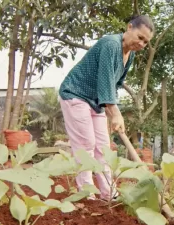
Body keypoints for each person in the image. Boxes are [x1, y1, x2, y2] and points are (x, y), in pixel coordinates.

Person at [59, 15, 154, 201]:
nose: (142, 44)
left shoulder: (130, 55)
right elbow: (105, 81)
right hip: (76, 93)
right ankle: (86, 194)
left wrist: (112, 115)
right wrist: (115, 112)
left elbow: (115, 84)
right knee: (86, 144)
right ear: (129, 27)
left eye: (146, 42)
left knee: (103, 148)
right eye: (140, 37)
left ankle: (108, 193)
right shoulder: (111, 44)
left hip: (96, 101)